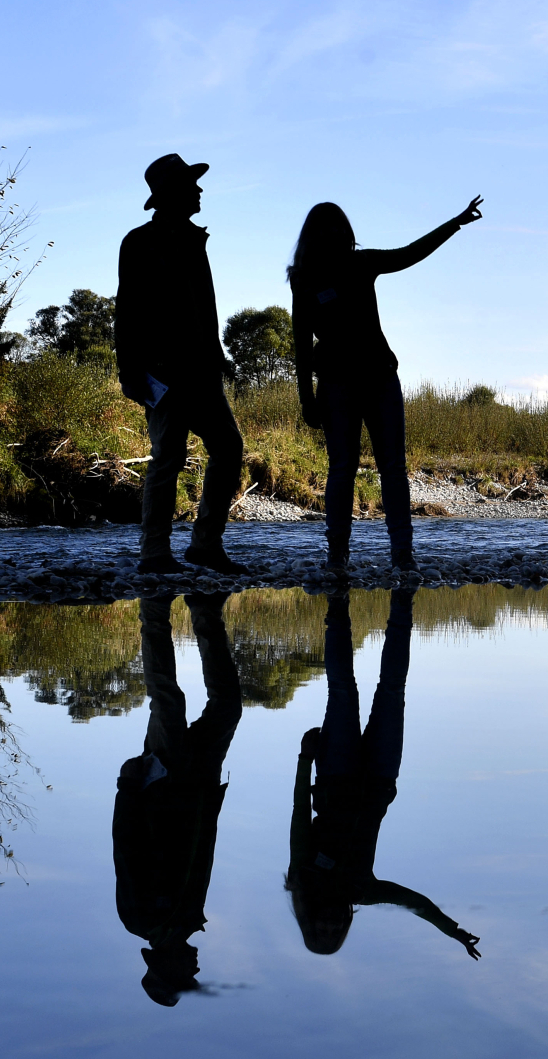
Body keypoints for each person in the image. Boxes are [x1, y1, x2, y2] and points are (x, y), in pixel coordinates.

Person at [288, 197, 482, 572]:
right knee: (359, 467)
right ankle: (358, 555)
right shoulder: (309, 278)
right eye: (331, 229)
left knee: (372, 467)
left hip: (370, 379)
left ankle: (388, 555)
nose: (337, 235)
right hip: (347, 383)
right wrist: (306, 399)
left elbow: (411, 253)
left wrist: (454, 223)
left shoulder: (356, 265)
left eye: (338, 229)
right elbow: (299, 343)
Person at [286, 588, 481, 960]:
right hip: (379, 778)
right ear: (343, 927)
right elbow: (415, 903)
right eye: (334, 932)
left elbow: (298, 817)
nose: (329, 925)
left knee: (342, 691)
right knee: (392, 690)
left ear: (308, 921)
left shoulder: (303, 877)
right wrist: (452, 930)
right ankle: (402, 600)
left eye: (320, 930)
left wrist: (304, 759)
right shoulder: (364, 891)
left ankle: (337, 602)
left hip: (335, 773)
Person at [115, 153, 249, 576]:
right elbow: (126, 312)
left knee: (228, 448)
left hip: (202, 371)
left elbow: (205, 305)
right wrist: (130, 372)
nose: (200, 191)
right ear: (172, 193)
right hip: (162, 372)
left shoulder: (195, 240)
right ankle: (154, 553)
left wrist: (219, 354)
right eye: (192, 185)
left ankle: (205, 545)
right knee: (167, 458)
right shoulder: (137, 243)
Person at [112, 592, 243, 1006]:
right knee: (228, 706)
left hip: (163, 785)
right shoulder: (187, 920)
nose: (197, 969)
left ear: (166, 967)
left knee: (168, 702)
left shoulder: (140, 919)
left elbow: (126, 847)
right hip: (200, 786)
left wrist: (128, 787)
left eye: (187, 976)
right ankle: (205, 610)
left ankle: (153, 609)